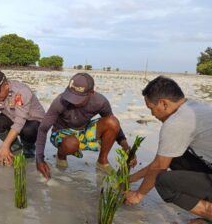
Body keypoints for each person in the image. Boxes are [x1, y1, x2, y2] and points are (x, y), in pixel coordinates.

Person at [125, 76, 212, 224]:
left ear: (163, 103)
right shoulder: (193, 107)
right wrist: (131, 178)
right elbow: (160, 162)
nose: (152, 114)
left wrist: (138, 195)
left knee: (163, 182)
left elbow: (159, 167)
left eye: (151, 108)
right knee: (177, 157)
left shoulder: (177, 122)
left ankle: (208, 213)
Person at [36, 73, 134, 179]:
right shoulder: (60, 101)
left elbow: (115, 127)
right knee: (71, 143)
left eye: (78, 98)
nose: (73, 101)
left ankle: (102, 161)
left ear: (91, 93)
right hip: (62, 133)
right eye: (71, 96)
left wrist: (127, 148)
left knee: (112, 122)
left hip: (84, 130)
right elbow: (43, 129)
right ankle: (61, 155)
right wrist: (39, 160)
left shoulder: (100, 101)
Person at [0, 69, 45, 164]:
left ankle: (29, 148)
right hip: (13, 119)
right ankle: (15, 146)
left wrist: (5, 145)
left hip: (33, 122)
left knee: (29, 129)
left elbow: (19, 122)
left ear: (6, 86)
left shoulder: (21, 92)